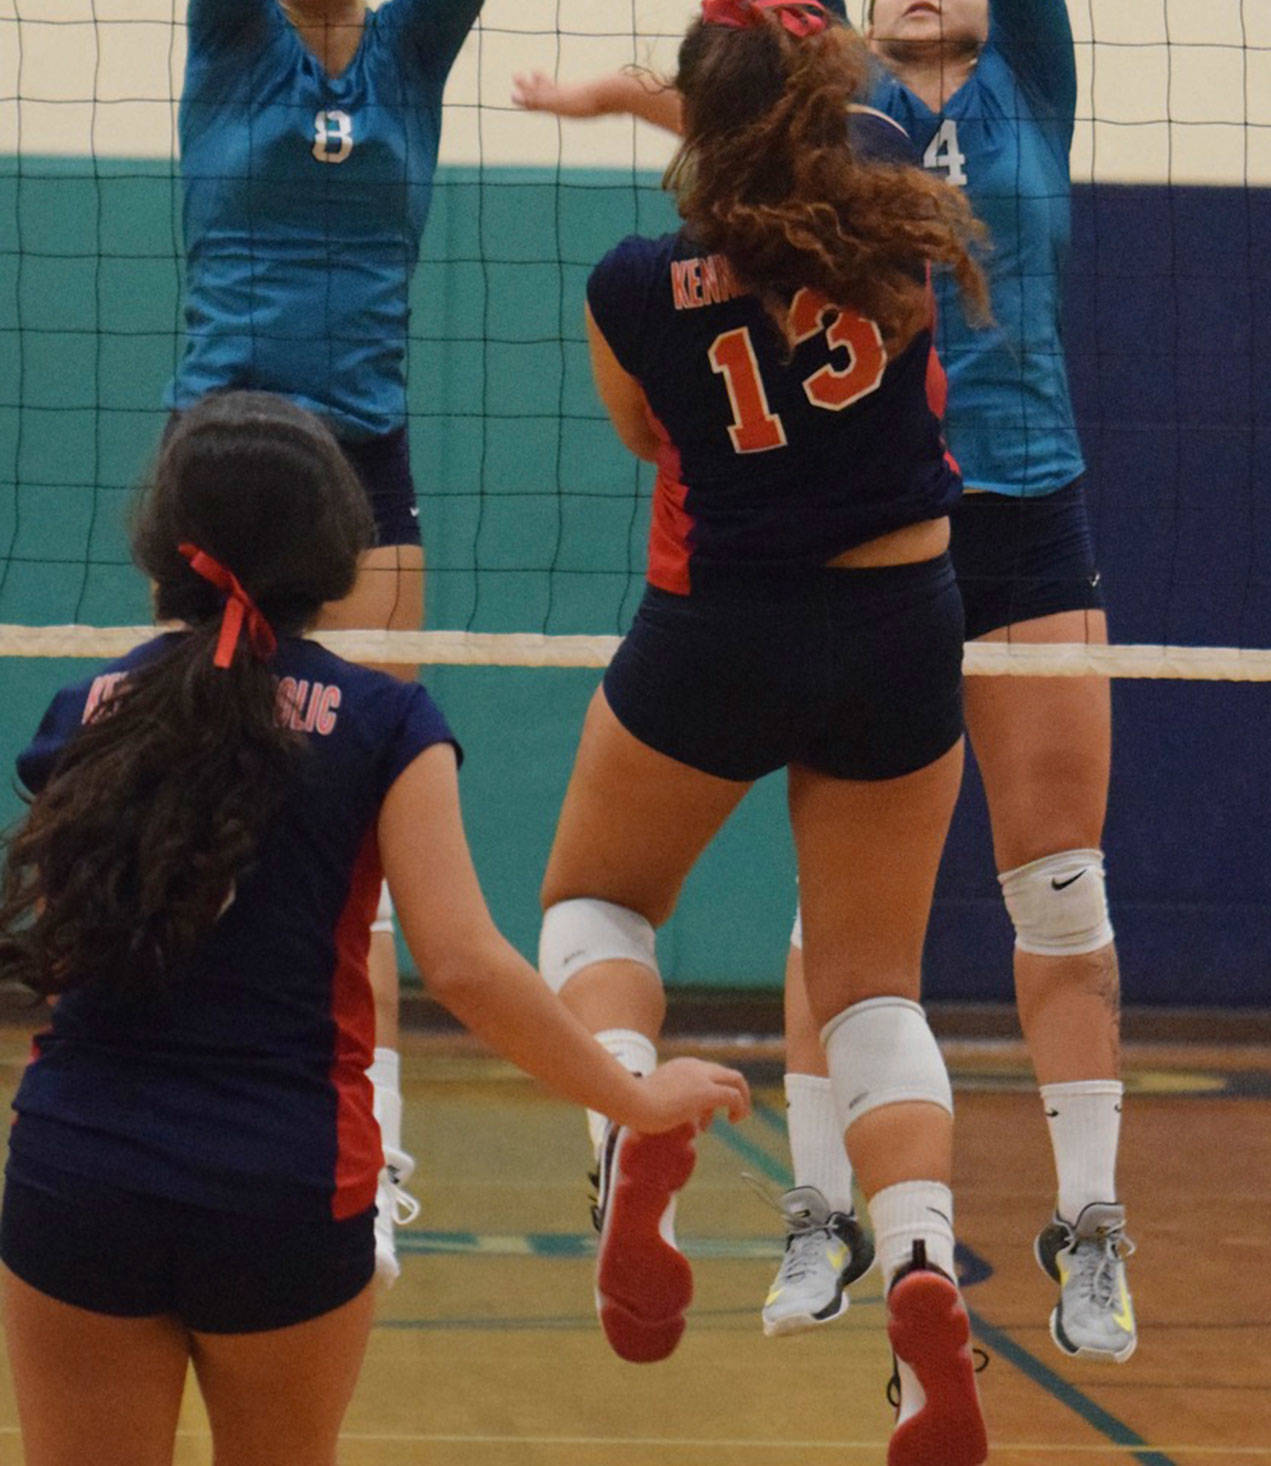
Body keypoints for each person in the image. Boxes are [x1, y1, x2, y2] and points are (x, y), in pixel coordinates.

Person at [515, 0, 1135, 1367]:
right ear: (841, 41)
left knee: (1055, 889)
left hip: (1019, 518)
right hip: (901, 551)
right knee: (847, 933)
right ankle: (833, 1225)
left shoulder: (1025, 96)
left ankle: (1085, 1227)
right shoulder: (849, 141)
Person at [0, 392, 749, 1466]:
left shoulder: (84, 712)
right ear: (336, 552)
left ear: (164, 541)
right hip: (284, 1186)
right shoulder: (387, 721)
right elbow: (461, 962)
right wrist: (631, 1098)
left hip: (81, 1175)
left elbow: (66, 951)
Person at [535, 0, 991, 1464]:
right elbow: (803, 148)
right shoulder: (906, 225)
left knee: (598, 899)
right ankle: (922, 1266)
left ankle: (624, 1140)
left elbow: (640, 437)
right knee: (871, 989)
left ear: (700, 108)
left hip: (722, 628)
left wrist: (626, 110)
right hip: (901, 624)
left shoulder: (630, 281)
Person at [174, 0, 551, 1279]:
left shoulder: (405, 67)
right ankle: (203, 1099)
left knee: (363, 807)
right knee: (220, 791)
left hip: (370, 464)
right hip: (230, 452)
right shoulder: (229, 50)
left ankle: (371, 1144)